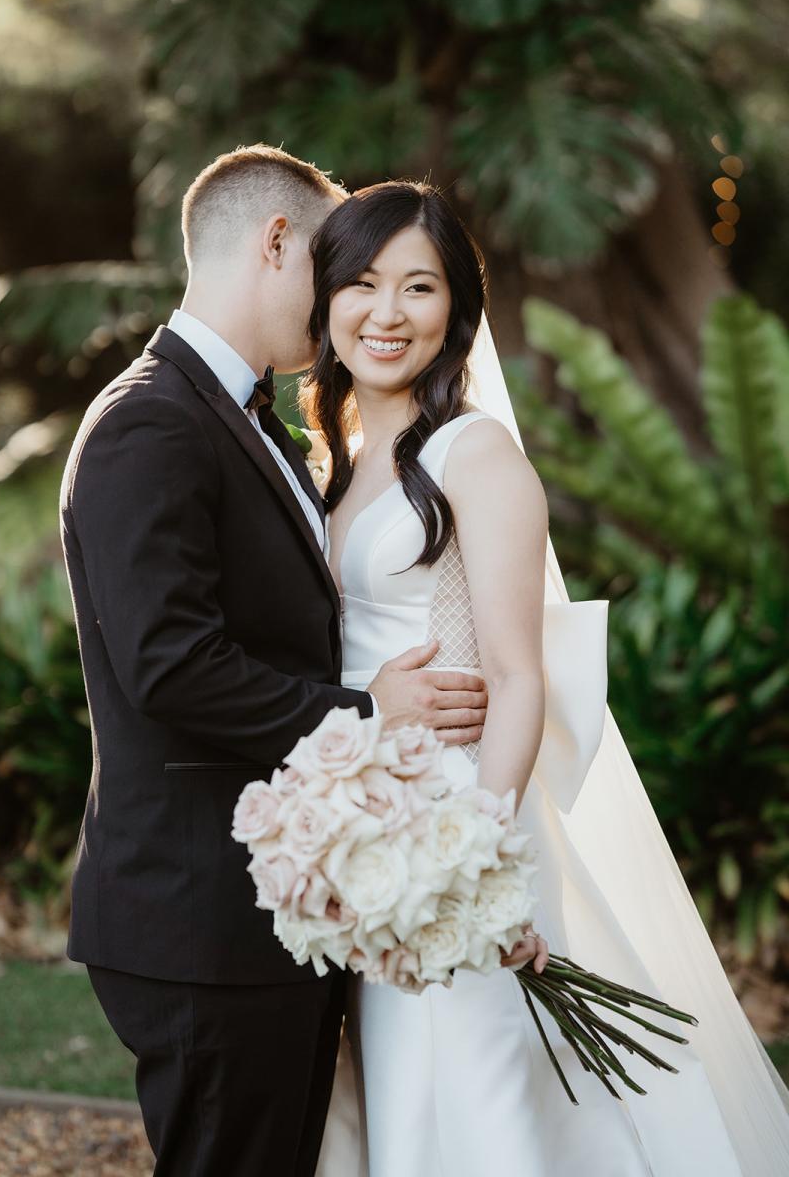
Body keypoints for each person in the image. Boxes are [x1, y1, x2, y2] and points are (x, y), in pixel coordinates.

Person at [303, 180, 789, 1176]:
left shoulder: (474, 456)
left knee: (475, 1083)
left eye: (417, 288)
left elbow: (519, 678)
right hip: (352, 824)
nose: (385, 314)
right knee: (390, 1085)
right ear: (325, 302)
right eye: (359, 283)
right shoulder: (339, 459)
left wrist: (474, 855)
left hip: (455, 817)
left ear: (457, 313)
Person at [58, 145, 499, 1177]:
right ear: (275, 244)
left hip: (268, 911)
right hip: (199, 918)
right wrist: (367, 712)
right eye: (338, 267)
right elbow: (171, 665)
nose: (352, 303)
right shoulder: (151, 423)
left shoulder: (240, 417)